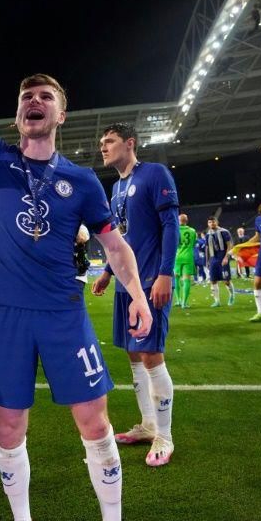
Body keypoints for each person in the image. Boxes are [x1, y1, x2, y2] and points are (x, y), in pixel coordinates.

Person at [0, 0, 151, 521]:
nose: (34, 102)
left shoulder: (82, 182)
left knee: (95, 422)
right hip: (6, 320)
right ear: (17, 112)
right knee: (9, 425)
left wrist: (135, 292)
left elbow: (114, 246)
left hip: (63, 316)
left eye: (45, 96)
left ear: (61, 113)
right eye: (26, 96)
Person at [93, 122, 179, 470]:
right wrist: (108, 272)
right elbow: (120, 239)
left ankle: (165, 436)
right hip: (127, 284)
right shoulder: (115, 188)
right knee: (132, 353)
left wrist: (165, 273)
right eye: (102, 142)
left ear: (130, 143)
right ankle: (147, 425)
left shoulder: (154, 174)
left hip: (150, 280)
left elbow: (170, 224)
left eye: (110, 141)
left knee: (151, 354)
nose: (103, 146)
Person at [204, 216, 234, 306]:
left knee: (226, 280)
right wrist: (207, 261)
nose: (212, 223)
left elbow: (230, 245)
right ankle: (217, 301)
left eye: (213, 222)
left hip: (223, 258)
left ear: (217, 222)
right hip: (213, 259)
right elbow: (207, 248)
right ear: (208, 224)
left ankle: (232, 295)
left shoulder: (224, 232)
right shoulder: (208, 234)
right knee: (213, 280)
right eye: (210, 222)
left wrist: (226, 257)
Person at [174, 213, 197, 308]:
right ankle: (184, 303)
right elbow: (194, 244)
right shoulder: (193, 231)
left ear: (178, 220)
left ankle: (178, 300)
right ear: (187, 221)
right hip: (188, 257)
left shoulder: (175, 230)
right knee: (186, 280)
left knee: (176, 279)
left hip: (176, 257)